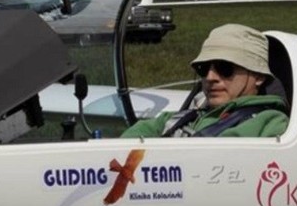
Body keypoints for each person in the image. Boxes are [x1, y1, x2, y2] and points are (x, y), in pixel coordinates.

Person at [121, 23, 288, 138]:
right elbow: (130, 139)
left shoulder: (270, 122)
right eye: (204, 68)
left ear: (258, 76)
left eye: (224, 68)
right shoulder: (180, 118)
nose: (210, 77)